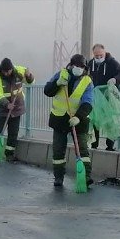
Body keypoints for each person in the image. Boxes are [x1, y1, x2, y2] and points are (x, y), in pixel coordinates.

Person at [43, 53, 94, 190]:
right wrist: (57, 84)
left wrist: (78, 117)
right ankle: (59, 177)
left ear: (85, 68)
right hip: (59, 119)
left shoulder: (87, 81)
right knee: (58, 150)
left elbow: (88, 102)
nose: (79, 69)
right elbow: (47, 91)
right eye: (76, 66)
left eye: (82, 67)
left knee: (82, 150)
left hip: (78, 121)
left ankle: (86, 176)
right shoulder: (61, 75)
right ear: (71, 65)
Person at [0, 58, 34, 161]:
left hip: (17, 107)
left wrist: (29, 76)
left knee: (13, 132)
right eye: (4, 71)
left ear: (11, 69)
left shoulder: (19, 71)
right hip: (4, 109)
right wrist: (6, 104)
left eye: (8, 71)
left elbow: (30, 82)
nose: (6, 73)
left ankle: (9, 154)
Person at [86, 43, 120, 151]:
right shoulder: (91, 64)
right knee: (95, 120)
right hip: (95, 98)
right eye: (96, 56)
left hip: (109, 98)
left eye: (100, 55)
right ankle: (94, 144)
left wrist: (115, 79)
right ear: (93, 55)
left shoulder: (112, 63)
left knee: (111, 121)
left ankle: (110, 145)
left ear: (104, 53)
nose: (98, 58)